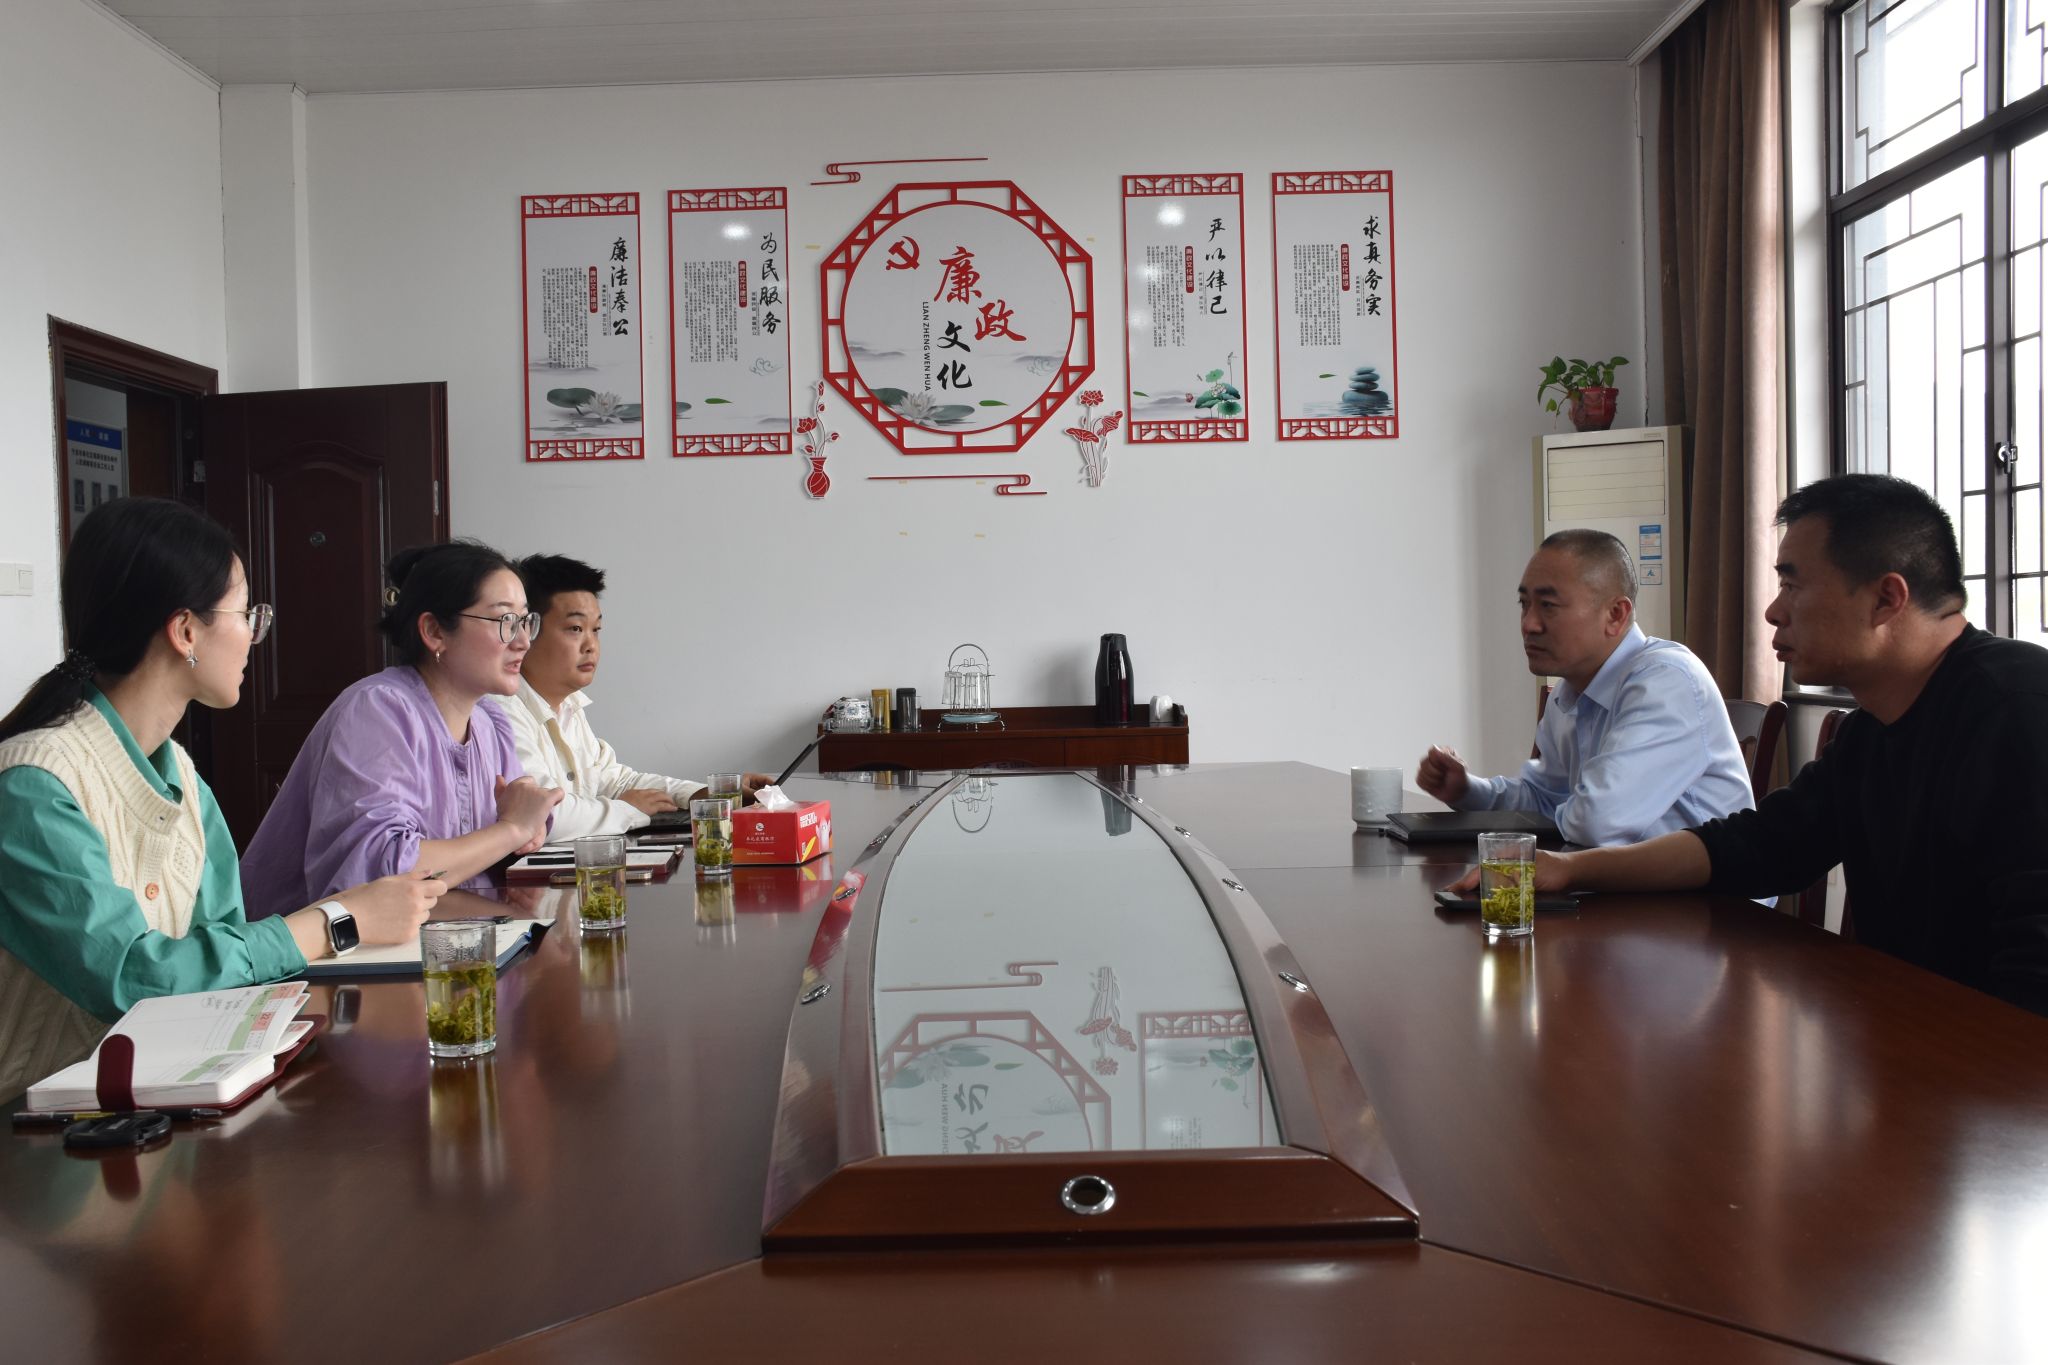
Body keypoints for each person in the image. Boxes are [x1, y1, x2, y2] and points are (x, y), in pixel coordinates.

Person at [1487, 474, 2048, 1015]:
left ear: (1885, 600)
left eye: (1792, 585)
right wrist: (1571, 871)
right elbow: (1761, 844)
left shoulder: (2021, 709)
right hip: (1911, 1035)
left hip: (1988, 1062)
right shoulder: (1870, 730)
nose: (1773, 611)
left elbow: (2033, 977)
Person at [0, 498, 442, 1098]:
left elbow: (223, 967)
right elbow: (132, 979)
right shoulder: (34, 782)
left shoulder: (182, 776)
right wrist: (336, 919)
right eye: (247, 614)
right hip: (36, 1119)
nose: (255, 637)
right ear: (186, 631)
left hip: (165, 1095)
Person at [240, 541, 561, 917]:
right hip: (313, 951)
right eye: (505, 621)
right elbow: (382, 882)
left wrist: (522, 840)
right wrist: (512, 830)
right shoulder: (377, 711)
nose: (523, 641)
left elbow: (503, 840)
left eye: (525, 621)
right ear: (435, 631)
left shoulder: (491, 722)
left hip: (445, 939)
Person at [1417, 528, 1754, 846]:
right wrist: (1466, 791)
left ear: (1615, 615)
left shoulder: (1667, 681)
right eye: (1524, 604)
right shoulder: (1568, 693)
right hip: (1621, 881)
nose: (1529, 624)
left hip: (1708, 889)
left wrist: (1557, 813)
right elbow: (1544, 798)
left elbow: (1597, 822)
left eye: (1548, 606)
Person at [496, 554, 769, 842]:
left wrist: (711, 794)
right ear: (527, 630)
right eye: (576, 628)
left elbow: (615, 780)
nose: (591, 646)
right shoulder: (501, 711)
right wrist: (626, 810)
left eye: (596, 630)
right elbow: (543, 813)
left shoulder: (569, 708)